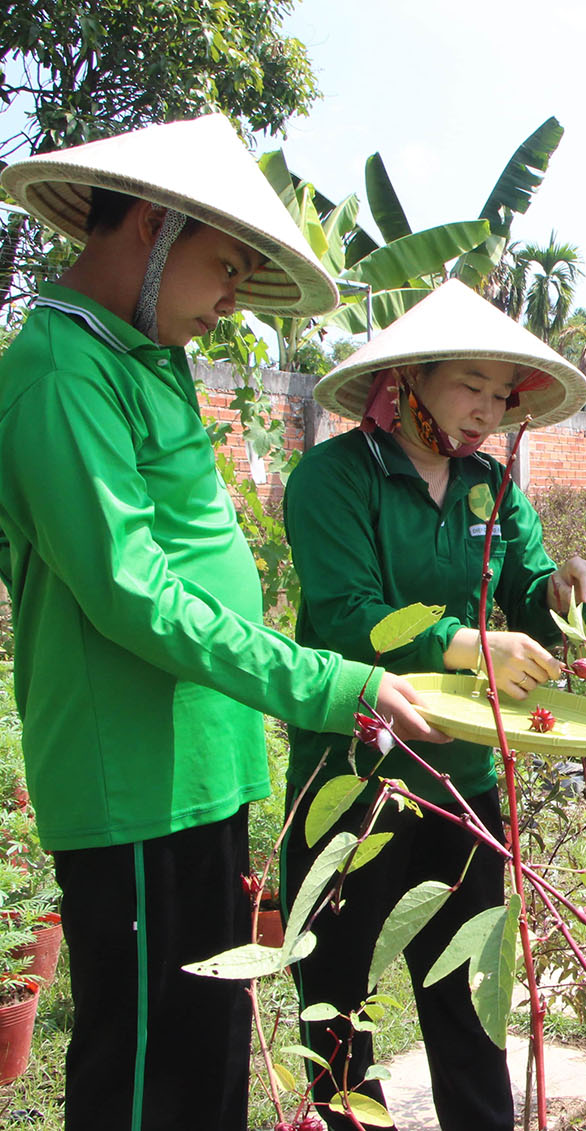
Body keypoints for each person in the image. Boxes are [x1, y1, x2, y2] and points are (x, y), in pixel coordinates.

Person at [0, 115, 444, 1131]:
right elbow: (132, 592)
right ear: (152, 227)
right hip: (135, 783)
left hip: (199, 763)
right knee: (147, 1066)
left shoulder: (139, 358)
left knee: (209, 1054)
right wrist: (333, 682)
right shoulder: (64, 371)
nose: (232, 297)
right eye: (227, 267)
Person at [282, 278, 586, 1129]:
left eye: (502, 395)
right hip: (355, 777)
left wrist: (571, 591)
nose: (487, 411)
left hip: (465, 775)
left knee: (471, 998)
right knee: (338, 1001)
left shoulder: (490, 487)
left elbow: (529, 589)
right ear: (411, 376)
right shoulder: (332, 478)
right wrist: (471, 645)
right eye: (470, 384)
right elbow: (350, 615)